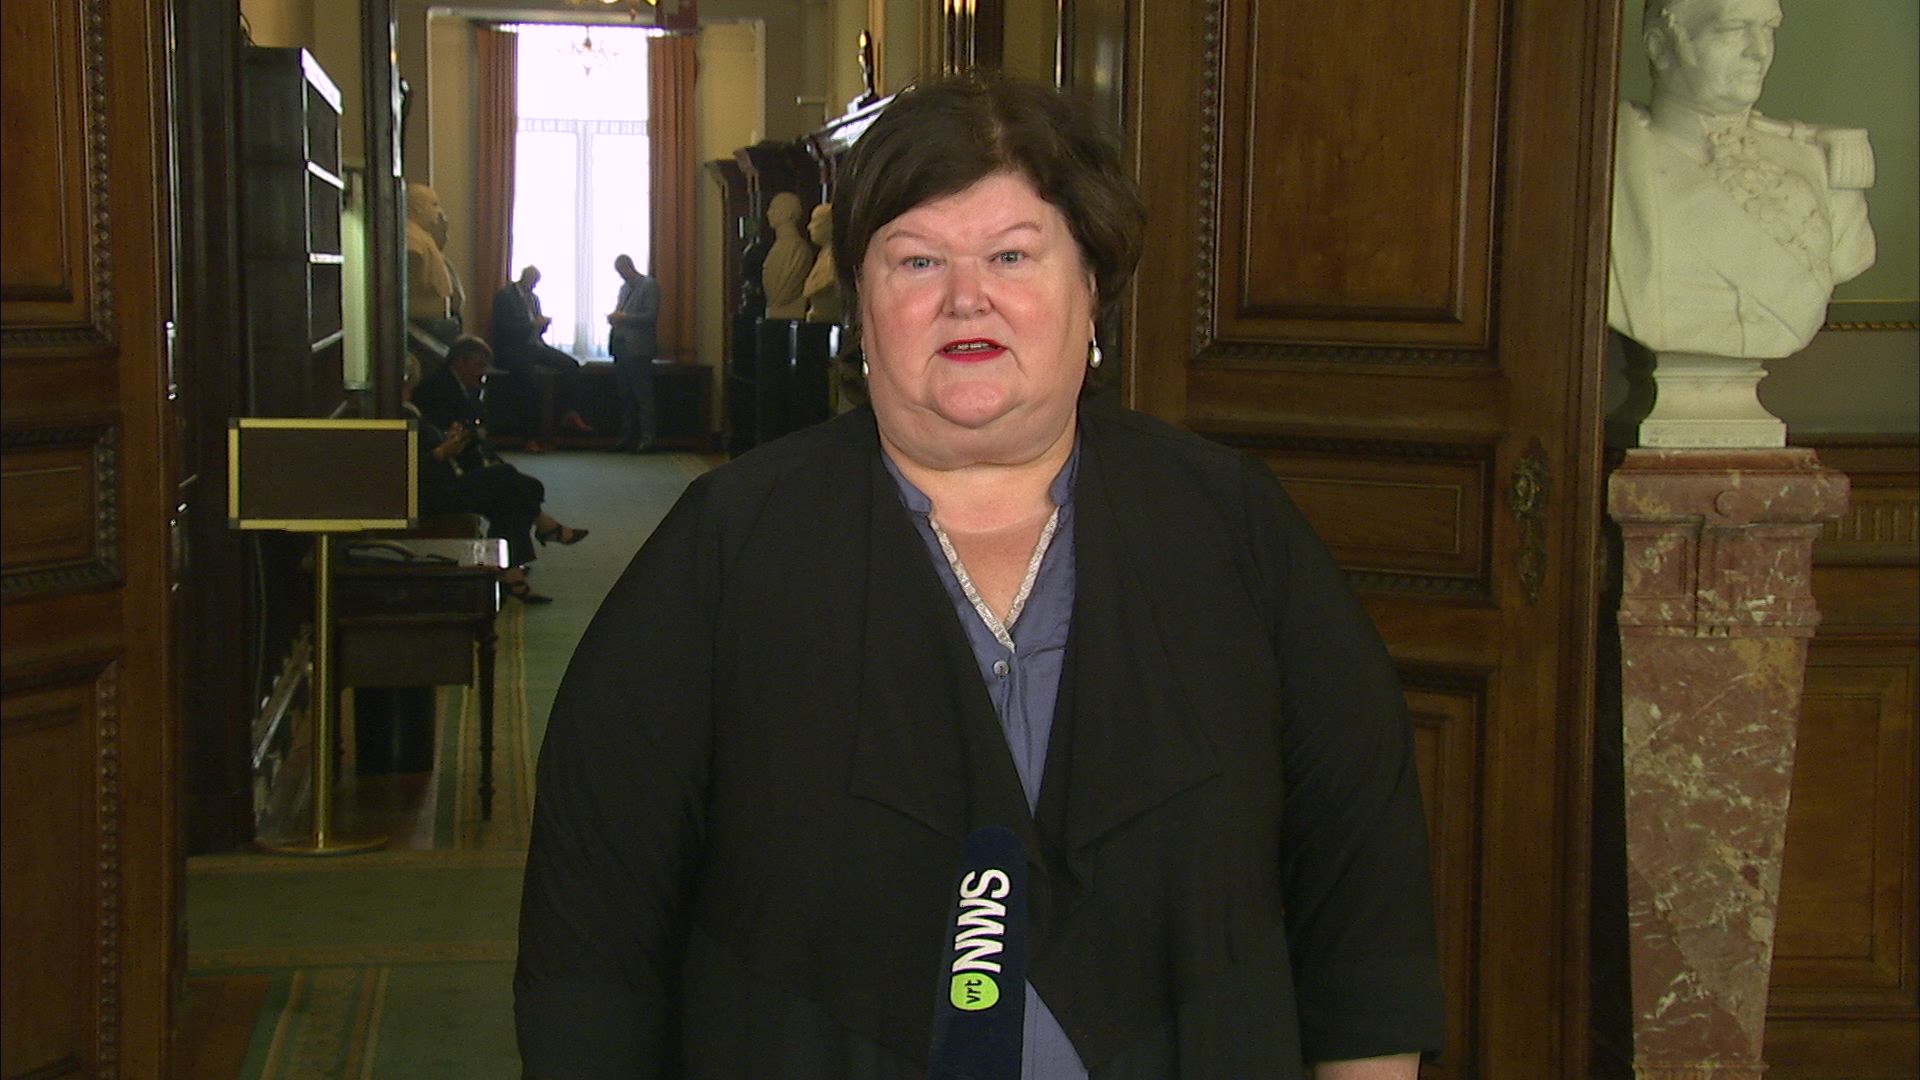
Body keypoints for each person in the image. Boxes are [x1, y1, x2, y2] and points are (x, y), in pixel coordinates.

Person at [516, 76, 1443, 1079]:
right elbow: (591, 936)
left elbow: (1364, 892)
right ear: (862, 304)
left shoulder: (1233, 528)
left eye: (1012, 255)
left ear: (1091, 288)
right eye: (918, 260)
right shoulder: (726, 549)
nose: (967, 297)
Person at [1608, 0, 1876, 359]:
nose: (1759, 50)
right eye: (1732, 29)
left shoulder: (1818, 168)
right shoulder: (1610, 169)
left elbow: (1848, 259)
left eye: (1769, 28)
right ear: (1660, 47)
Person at [406, 336, 588, 597]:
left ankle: (513, 573)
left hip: (449, 473)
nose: (483, 373)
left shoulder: (451, 392)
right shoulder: (431, 395)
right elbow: (432, 453)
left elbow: (469, 434)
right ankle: (543, 528)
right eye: (479, 365)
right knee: (516, 484)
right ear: (460, 362)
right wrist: (447, 451)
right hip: (437, 488)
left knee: (512, 493)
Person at [490, 265, 595, 448]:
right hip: (512, 349)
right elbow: (503, 329)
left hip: (535, 346)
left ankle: (569, 413)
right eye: (532, 282)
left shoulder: (533, 298)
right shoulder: (505, 296)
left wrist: (542, 325)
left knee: (571, 365)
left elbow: (536, 329)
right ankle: (529, 438)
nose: (533, 286)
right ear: (524, 278)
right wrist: (532, 325)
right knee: (528, 382)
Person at [606, 254, 661, 453]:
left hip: (638, 348)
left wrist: (624, 317)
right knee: (625, 395)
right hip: (620, 346)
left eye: (622, 271)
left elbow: (650, 316)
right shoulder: (624, 289)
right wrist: (614, 318)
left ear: (629, 267)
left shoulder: (649, 285)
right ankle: (626, 437)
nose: (621, 276)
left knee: (642, 395)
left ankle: (648, 439)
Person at [406, 183, 464, 348]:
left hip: (439, 319)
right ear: (418, 207)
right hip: (426, 321)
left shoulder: (423, 236)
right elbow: (415, 280)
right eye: (434, 204)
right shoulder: (412, 239)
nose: (439, 211)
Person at [760, 191, 815, 320]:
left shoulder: (798, 250)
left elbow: (781, 293)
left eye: (774, 208)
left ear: (789, 213)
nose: (768, 213)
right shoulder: (778, 247)